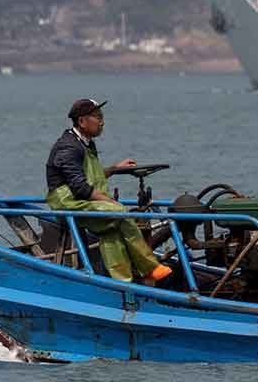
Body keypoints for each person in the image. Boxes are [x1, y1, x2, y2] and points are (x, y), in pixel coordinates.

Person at [45, 98, 172, 285]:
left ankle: (123, 281)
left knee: (111, 228)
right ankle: (149, 267)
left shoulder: (86, 144)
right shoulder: (69, 147)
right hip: (68, 202)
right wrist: (109, 201)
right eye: (97, 117)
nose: (102, 122)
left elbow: (90, 176)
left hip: (81, 200)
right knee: (118, 213)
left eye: (102, 117)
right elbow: (80, 187)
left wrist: (114, 169)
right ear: (82, 121)